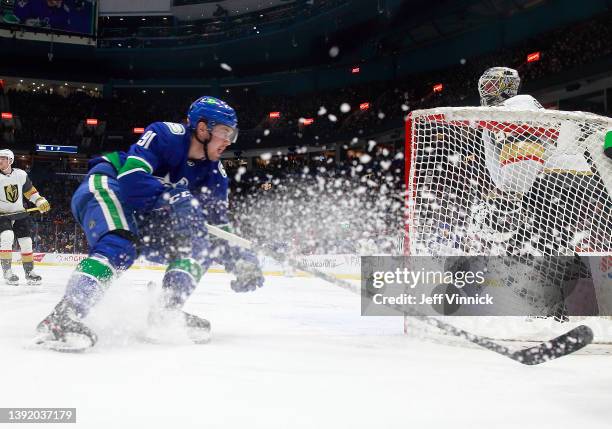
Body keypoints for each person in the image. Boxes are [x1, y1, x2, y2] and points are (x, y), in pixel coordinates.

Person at [35, 96, 264, 351]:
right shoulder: (166, 134)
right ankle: (63, 316)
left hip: (147, 213)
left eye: (232, 135)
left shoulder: (215, 175)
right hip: (110, 184)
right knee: (120, 243)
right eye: (224, 132)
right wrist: (173, 196)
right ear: (202, 128)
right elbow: (131, 179)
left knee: (201, 245)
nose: (228, 141)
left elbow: (218, 229)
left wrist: (243, 261)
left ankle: (166, 311)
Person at [0, 149, 50, 285]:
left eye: (3, 158)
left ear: (10, 160)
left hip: (20, 213)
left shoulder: (21, 175)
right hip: (2, 215)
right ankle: (7, 272)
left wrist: (40, 201)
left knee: (27, 242)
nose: (0, 161)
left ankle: (29, 272)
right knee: (7, 237)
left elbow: (30, 192)